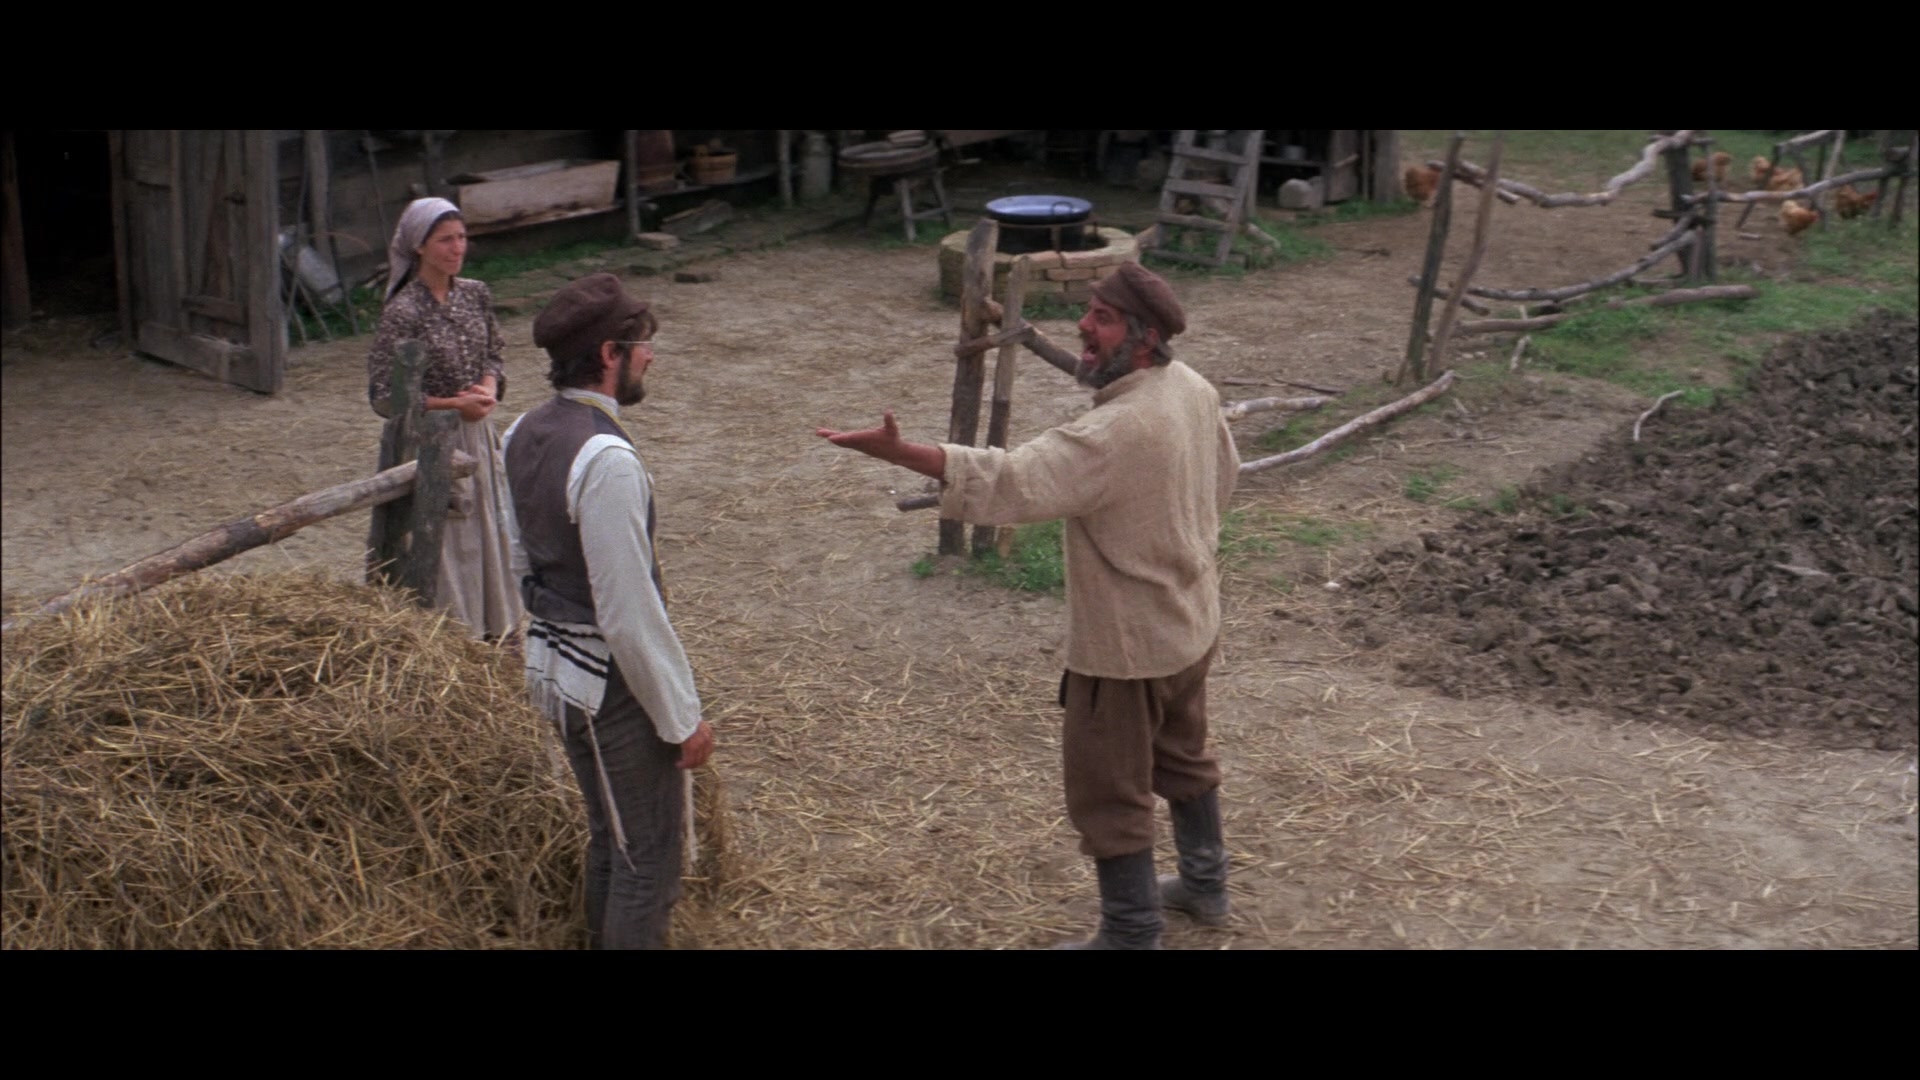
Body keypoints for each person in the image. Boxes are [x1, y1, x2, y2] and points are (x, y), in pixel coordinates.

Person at [817, 261, 1239, 950]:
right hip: (1190, 625)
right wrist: (1180, 548)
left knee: (1109, 789)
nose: (1083, 326)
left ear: (1144, 337)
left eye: (1102, 318)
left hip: (1127, 650)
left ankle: (1132, 933)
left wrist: (901, 453)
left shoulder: (1120, 430)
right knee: (1185, 755)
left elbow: (1014, 480)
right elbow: (1225, 479)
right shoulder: (1191, 388)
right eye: (1090, 312)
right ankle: (1206, 883)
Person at [501, 272, 714, 950]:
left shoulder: (522, 431)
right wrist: (682, 717)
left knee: (610, 838)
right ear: (607, 355)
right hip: (611, 685)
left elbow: (519, 560)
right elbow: (626, 614)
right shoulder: (606, 458)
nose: (650, 355)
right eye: (640, 344)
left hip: (556, 671)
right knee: (645, 859)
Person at [365, 197, 524, 644]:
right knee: (451, 542)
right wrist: (453, 405)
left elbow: (495, 351)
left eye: (461, 237)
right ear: (419, 246)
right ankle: (459, 637)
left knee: (489, 531)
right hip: (432, 444)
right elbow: (384, 397)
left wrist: (489, 387)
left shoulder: (475, 294)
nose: (457, 249)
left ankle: (498, 627)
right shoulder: (403, 312)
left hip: (478, 433)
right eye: (445, 240)